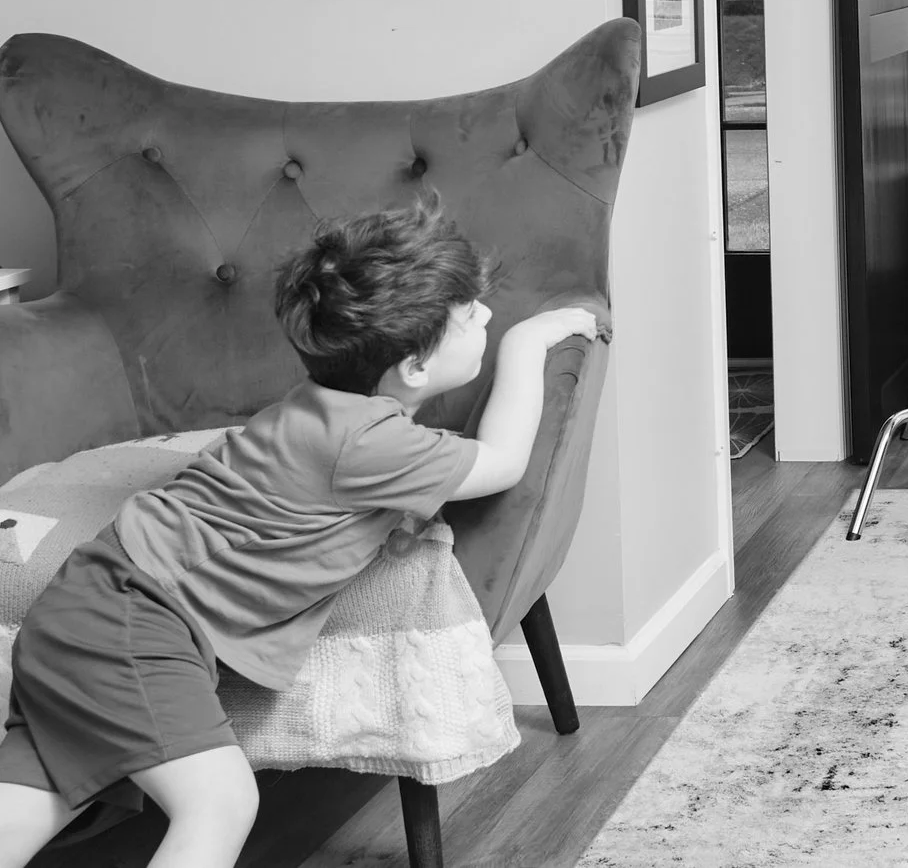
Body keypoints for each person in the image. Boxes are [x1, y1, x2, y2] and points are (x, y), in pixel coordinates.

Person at [0, 199, 602, 868]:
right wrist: (527, 342)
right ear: (414, 368)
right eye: (471, 315)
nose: (487, 317)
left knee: (32, 804)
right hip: (136, 621)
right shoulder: (368, 442)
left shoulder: (318, 410)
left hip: (82, 604)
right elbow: (504, 462)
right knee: (220, 806)